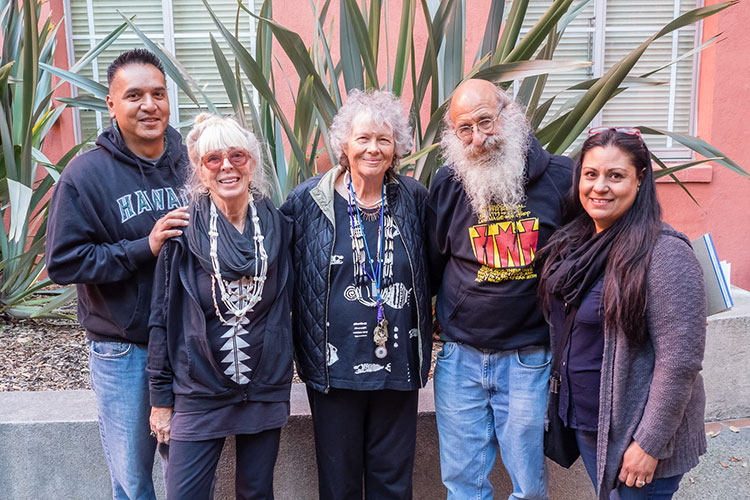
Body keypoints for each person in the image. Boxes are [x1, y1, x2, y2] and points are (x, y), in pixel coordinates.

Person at [46, 49, 189, 500]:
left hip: (189, 345)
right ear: (111, 104)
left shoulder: (195, 163)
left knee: (187, 474)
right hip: (124, 351)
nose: (149, 105)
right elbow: (64, 262)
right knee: (133, 479)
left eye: (158, 94)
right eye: (134, 95)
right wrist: (143, 248)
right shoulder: (85, 175)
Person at [539, 127, 706, 499]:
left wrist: (648, 445)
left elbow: (680, 361)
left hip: (638, 436)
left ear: (640, 179)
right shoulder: (580, 243)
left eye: (615, 176)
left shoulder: (664, 254)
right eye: (591, 174)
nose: (600, 187)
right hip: (592, 425)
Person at [282, 89, 431, 500]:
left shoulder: (413, 199)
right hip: (334, 369)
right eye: (363, 138)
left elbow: (431, 270)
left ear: (396, 147)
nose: (373, 148)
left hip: (396, 365)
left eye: (384, 140)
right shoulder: (307, 201)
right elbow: (282, 274)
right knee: (339, 484)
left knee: (393, 484)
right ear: (344, 144)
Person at [427, 78, 573, 500]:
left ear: (508, 115)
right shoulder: (449, 184)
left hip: (529, 360)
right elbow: (434, 263)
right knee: (463, 487)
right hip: (460, 362)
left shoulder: (562, 180)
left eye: (485, 121)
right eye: (465, 130)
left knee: (528, 488)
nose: (478, 138)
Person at [146, 113, 293, 499]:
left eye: (237, 156)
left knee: (256, 493)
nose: (226, 166)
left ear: (253, 162)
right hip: (199, 390)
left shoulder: (278, 228)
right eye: (213, 159)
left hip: (263, 387)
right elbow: (160, 321)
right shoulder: (181, 235)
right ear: (198, 168)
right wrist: (161, 401)